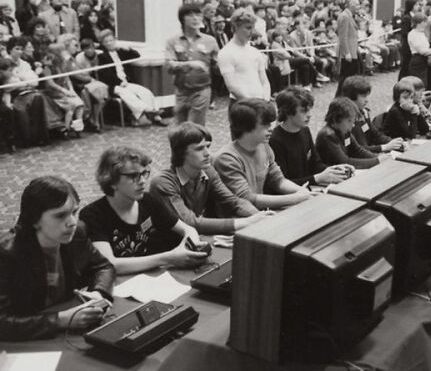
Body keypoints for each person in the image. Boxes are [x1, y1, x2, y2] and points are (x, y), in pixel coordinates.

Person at [0, 176, 115, 341]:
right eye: (60, 216)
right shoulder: (7, 254)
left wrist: (99, 292)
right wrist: (60, 320)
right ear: (34, 219)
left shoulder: (77, 233)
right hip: (28, 338)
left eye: (74, 212)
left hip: (67, 327)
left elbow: (103, 266)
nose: (72, 222)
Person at [80, 146, 209, 275]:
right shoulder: (92, 215)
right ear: (111, 181)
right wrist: (168, 257)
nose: (142, 181)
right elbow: (110, 264)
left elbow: (188, 229)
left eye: (143, 174)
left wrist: (191, 246)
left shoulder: (147, 201)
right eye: (133, 176)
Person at [149, 122, 268, 235]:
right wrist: (247, 222)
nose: (207, 154)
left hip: (196, 239)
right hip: (167, 246)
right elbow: (190, 221)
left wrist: (259, 216)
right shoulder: (163, 183)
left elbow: (233, 202)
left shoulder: (207, 171)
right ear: (181, 153)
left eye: (207, 147)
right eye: (199, 149)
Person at [214, 98, 311, 210]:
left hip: (260, 213)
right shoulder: (227, 159)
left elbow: (278, 180)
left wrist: (302, 191)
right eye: (265, 124)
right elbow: (247, 198)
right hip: (238, 220)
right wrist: (295, 198)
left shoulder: (264, 146)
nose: (271, 129)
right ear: (246, 126)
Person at [270, 87, 351, 186]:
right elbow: (283, 183)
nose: (309, 115)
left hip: (309, 187)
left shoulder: (305, 130)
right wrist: (316, 178)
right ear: (288, 112)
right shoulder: (275, 140)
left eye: (309, 110)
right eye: (304, 111)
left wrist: (335, 170)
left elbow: (315, 164)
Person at [164, 4, 219, 126]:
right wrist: (190, 64)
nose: (195, 18)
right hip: (181, 91)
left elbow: (217, 65)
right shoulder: (173, 41)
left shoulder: (210, 40)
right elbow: (168, 65)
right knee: (180, 127)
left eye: (198, 15)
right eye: (190, 15)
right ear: (182, 19)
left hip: (201, 90)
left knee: (194, 126)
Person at [96, 29, 166, 126]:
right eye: (106, 42)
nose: (109, 43)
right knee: (126, 93)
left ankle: (156, 117)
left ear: (115, 40)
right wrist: (119, 82)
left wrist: (128, 49)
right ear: (103, 44)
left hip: (126, 82)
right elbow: (106, 75)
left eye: (111, 40)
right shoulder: (102, 56)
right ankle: (147, 111)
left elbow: (136, 55)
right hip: (114, 85)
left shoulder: (120, 52)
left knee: (145, 92)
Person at [316, 97, 386, 169]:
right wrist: (376, 161)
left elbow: (358, 151)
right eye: (349, 121)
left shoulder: (344, 130)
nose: (352, 125)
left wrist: (379, 157)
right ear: (336, 119)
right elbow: (344, 161)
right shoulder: (327, 136)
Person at [218, 9, 271, 102]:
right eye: (248, 28)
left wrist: (265, 100)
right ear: (235, 27)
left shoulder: (255, 51)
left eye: (253, 28)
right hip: (241, 105)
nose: (252, 32)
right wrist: (252, 104)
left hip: (259, 101)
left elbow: (264, 81)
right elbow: (232, 87)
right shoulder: (226, 52)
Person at [341, 76, 403, 153]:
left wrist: (395, 143)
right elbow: (358, 149)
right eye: (363, 96)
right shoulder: (347, 121)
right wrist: (384, 147)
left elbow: (375, 134)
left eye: (367, 96)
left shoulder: (364, 113)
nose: (367, 100)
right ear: (352, 96)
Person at [41, 43, 85, 135]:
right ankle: (66, 128)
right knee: (72, 106)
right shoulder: (47, 66)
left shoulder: (62, 63)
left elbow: (67, 78)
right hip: (54, 92)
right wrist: (64, 91)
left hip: (65, 90)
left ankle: (78, 128)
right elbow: (50, 83)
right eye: (62, 51)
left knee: (80, 104)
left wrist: (71, 90)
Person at [407, 13, 431, 88]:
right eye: (424, 22)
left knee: (424, 84)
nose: (426, 24)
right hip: (417, 60)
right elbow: (423, 51)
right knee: (418, 85)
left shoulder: (421, 33)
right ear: (419, 23)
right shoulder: (413, 34)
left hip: (423, 61)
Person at [335, 0, 361, 96]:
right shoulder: (344, 16)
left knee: (350, 77)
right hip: (348, 52)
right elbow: (343, 36)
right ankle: (340, 97)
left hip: (353, 50)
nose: (359, 7)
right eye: (357, 4)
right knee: (345, 78)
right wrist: (347, 53)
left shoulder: (349, 16)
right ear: (351, 5)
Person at [398, 0, 420, 80]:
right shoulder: (407, 17)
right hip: (407, 45)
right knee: (405, 66)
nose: (418, 6)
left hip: (413, 45)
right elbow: (404, 32)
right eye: (416, 5)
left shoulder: (415, 16)